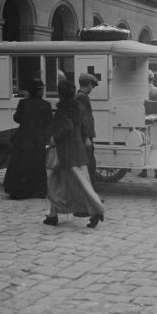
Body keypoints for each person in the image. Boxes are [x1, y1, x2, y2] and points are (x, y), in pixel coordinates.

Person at [44, 80, 106, 228]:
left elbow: (66, 127)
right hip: (77, 150)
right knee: (69, 183)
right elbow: (83, 126)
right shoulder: (79, 107)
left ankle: (96, 210)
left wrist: (54, 138)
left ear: (60, 94)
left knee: (60, 184)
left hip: (66, 151)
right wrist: (85, 139)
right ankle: (53, 215)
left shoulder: (62, 110)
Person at [3, 78, 52, 199]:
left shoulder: (23, 103)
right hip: (38, 138)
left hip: (23, 136)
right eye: (41, 89)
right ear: (39, 91)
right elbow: (49, 122)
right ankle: (39, 190)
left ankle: (19, 190)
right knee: (38, 163)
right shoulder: (46, 105)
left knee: (20, 163)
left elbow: (17, 118)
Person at [140, 70, 157, 179]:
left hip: (142, 121)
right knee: (156, 146)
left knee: (144, 144)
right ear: (153, 79)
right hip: (155, 121)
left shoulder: (139, 91)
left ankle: (144, 171)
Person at [76, 73, 99, 181]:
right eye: (92, 86)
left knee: (89, 164)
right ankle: (89, 192)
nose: (92, 88)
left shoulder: (81, 96)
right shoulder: (82, 97)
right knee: (89, 165)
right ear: (89, 84)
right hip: (85, 137)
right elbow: (83, 119)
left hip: (85, 136)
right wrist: (86, 137)